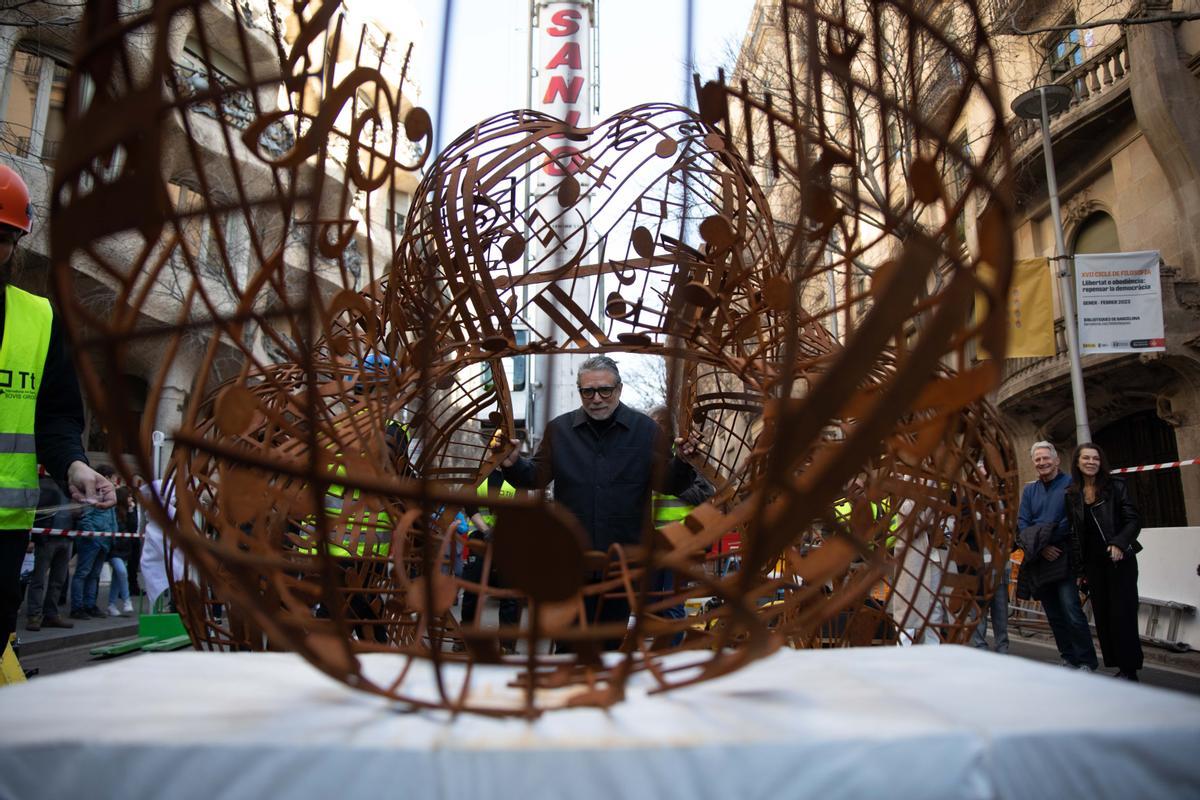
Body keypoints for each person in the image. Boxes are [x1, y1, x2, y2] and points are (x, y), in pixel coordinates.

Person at [499, 356, 700, 641]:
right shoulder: (559, 431)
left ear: (619, 389)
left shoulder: (645, 431)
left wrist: (684, 461)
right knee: (569, 645)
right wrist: (512, 462)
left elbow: (668, 482)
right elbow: (535, 476)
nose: (596, 398)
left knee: (610, 644)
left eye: (604, 390)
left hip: (621, 564)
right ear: (580, 391)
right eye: (588, 391)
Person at [0, 163, 115, 647]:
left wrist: (75, 464)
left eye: (4, 236)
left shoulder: (39, 319)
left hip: (4, 530)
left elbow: (56, 417)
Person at [1017, 441, 1098, 671]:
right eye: (1038, 459)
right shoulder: (1030, 490)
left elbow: (1069, 522)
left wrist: (1044, 539)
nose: (1042, 463)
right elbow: (1023, 523)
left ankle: (1087, 661)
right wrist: (1041, 547)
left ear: (1056, 460)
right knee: (1053, 613)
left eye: (1045, 458)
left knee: (1072, 611)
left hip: (1063, 556)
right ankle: (1068, 658)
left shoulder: (1071, 486)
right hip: (1039, 557)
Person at [1065, 443, 1143, 681]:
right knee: (1104, 616)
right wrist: (1080, 569)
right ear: (1077, 462)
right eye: (1086, 458)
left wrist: (1119, 543)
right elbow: (1075, 534)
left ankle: (1129, 670)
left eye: (1095, 458)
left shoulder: (1116, 486)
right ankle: (1118, 666)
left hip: (1118, 560)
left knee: (1123, 615)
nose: (1091, 462)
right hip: (1093, 564)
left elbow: (1133, 520)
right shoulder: (1072, 493)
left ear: (1101, 462)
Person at [25, 475, 76, 631]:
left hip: (66, 537)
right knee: (39, 579)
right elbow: (37, 512)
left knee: (57, 580)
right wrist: (33, 537)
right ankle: (34, 615)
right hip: (47, 538)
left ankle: (50, 614)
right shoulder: (45, 484)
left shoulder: (69, 486)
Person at [71, 464, 120, 619]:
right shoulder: (92, 492)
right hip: (91, 541)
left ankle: (90, 605)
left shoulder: (108, 495)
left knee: (94, 575)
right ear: (105, 478)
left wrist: (113, 534)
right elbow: (85, 517)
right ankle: (77, 607)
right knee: (83, 573)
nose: (114, 481)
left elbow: (111, 518)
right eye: (113, 478)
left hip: (104, 541)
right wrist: (93, 536)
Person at [104, 485, 137, 617]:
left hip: (125, 549)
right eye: (129, 496)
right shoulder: (114, 511)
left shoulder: (129, 511)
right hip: (115, 548)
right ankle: (127, 600)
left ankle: (111, 604)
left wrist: (131, 511)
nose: (131, 498)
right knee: (122, 572)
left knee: (117, 577)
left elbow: (133, 528)